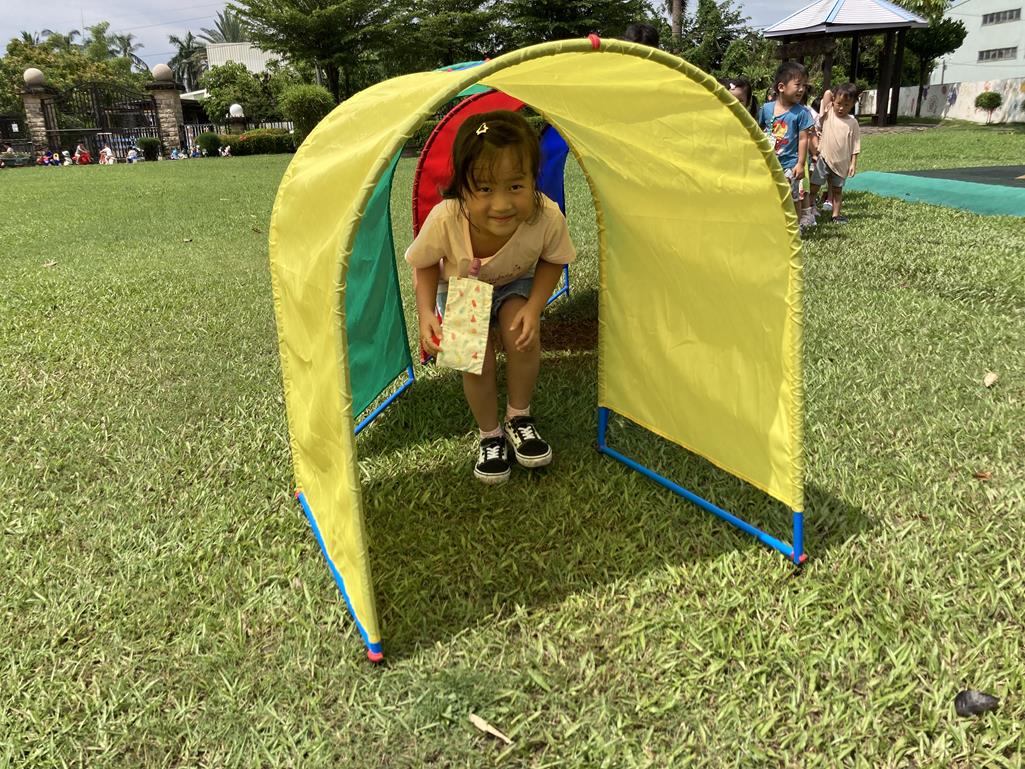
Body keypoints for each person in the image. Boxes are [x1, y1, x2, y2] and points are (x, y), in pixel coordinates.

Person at [405, 109, 577, 484]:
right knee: (474, 358)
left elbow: (554, 259)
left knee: (522, 336)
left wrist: (535, 306)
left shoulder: (546, 216)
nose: (501, 205)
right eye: (484, 189)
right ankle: (490, 435)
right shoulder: (446, 217)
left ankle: (519, 417)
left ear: (533, 179)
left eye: (515, 186)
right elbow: (425, 263)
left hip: (517, 280)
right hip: (461, 285)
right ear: (462, 186)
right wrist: (426, 313)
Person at [758, 62, 815, 226]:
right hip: (769, 163)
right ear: (781, 87)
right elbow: (758, 131)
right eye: (798, 85)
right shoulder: (766, 109)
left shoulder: (802, 113)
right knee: (770, 195)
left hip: (790, 164)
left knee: (792, 196)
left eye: (804, 86)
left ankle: (795, 227)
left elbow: (803, 139)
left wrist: (800, 164)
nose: (802, 89)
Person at [811, 82, 861, 224]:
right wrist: (834, 95)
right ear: (833, 101)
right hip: (824, 159)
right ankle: (807, 211)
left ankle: (836, 215)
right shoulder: (829, 113)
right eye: (838, 103)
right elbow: (827, 93)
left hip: (842, 163)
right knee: (814, 186)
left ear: (853, 104)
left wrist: (853, 164)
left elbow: (855, 145)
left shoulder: (853, 123)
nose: (841, 108)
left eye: (846, 105)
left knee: (837, 190)